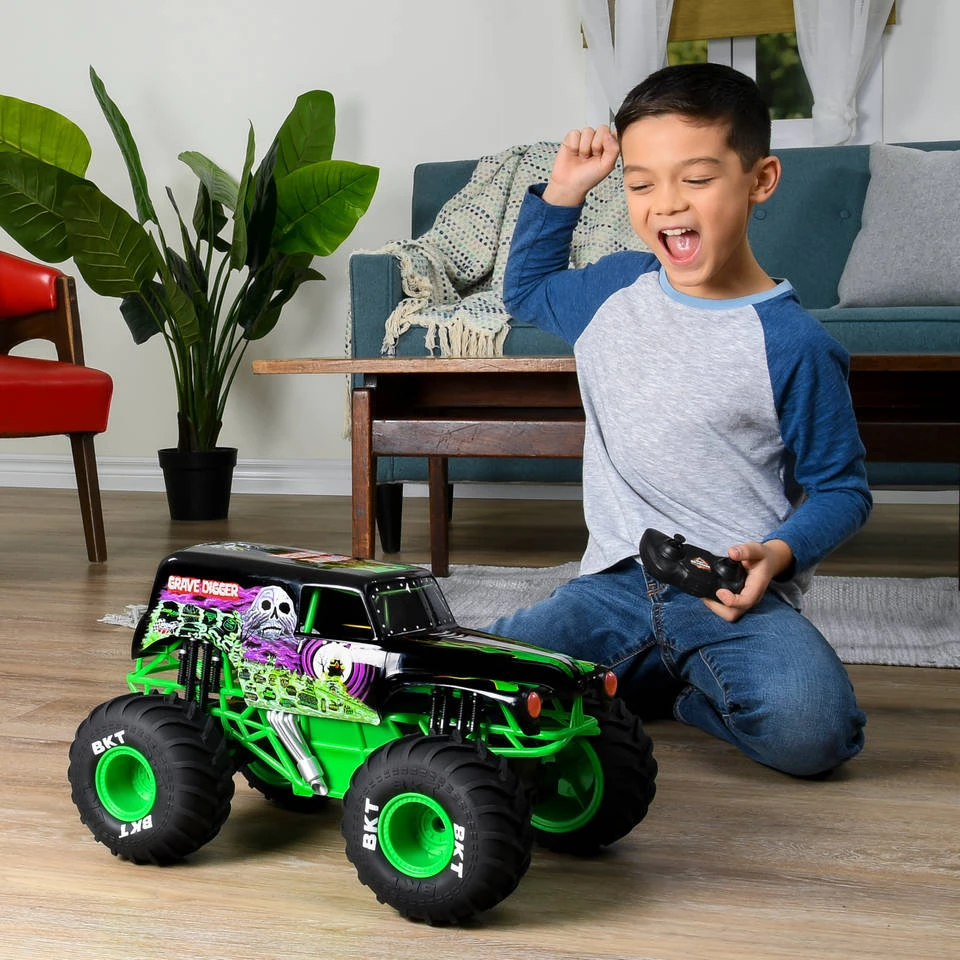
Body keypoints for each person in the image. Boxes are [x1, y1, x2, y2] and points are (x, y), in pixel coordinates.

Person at [486, 63, 871, 777]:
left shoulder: (794, 344)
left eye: (696, 179)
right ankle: (645, 673)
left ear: (760, 180)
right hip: (611, 585)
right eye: (640, 185)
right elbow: (527, 290)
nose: (666, 203)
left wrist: (777, 554)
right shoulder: (614, 291)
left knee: (815, 733)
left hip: (724, 593)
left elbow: (843, 489)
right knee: (476, 681)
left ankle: (679, 689)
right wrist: (565, 190)